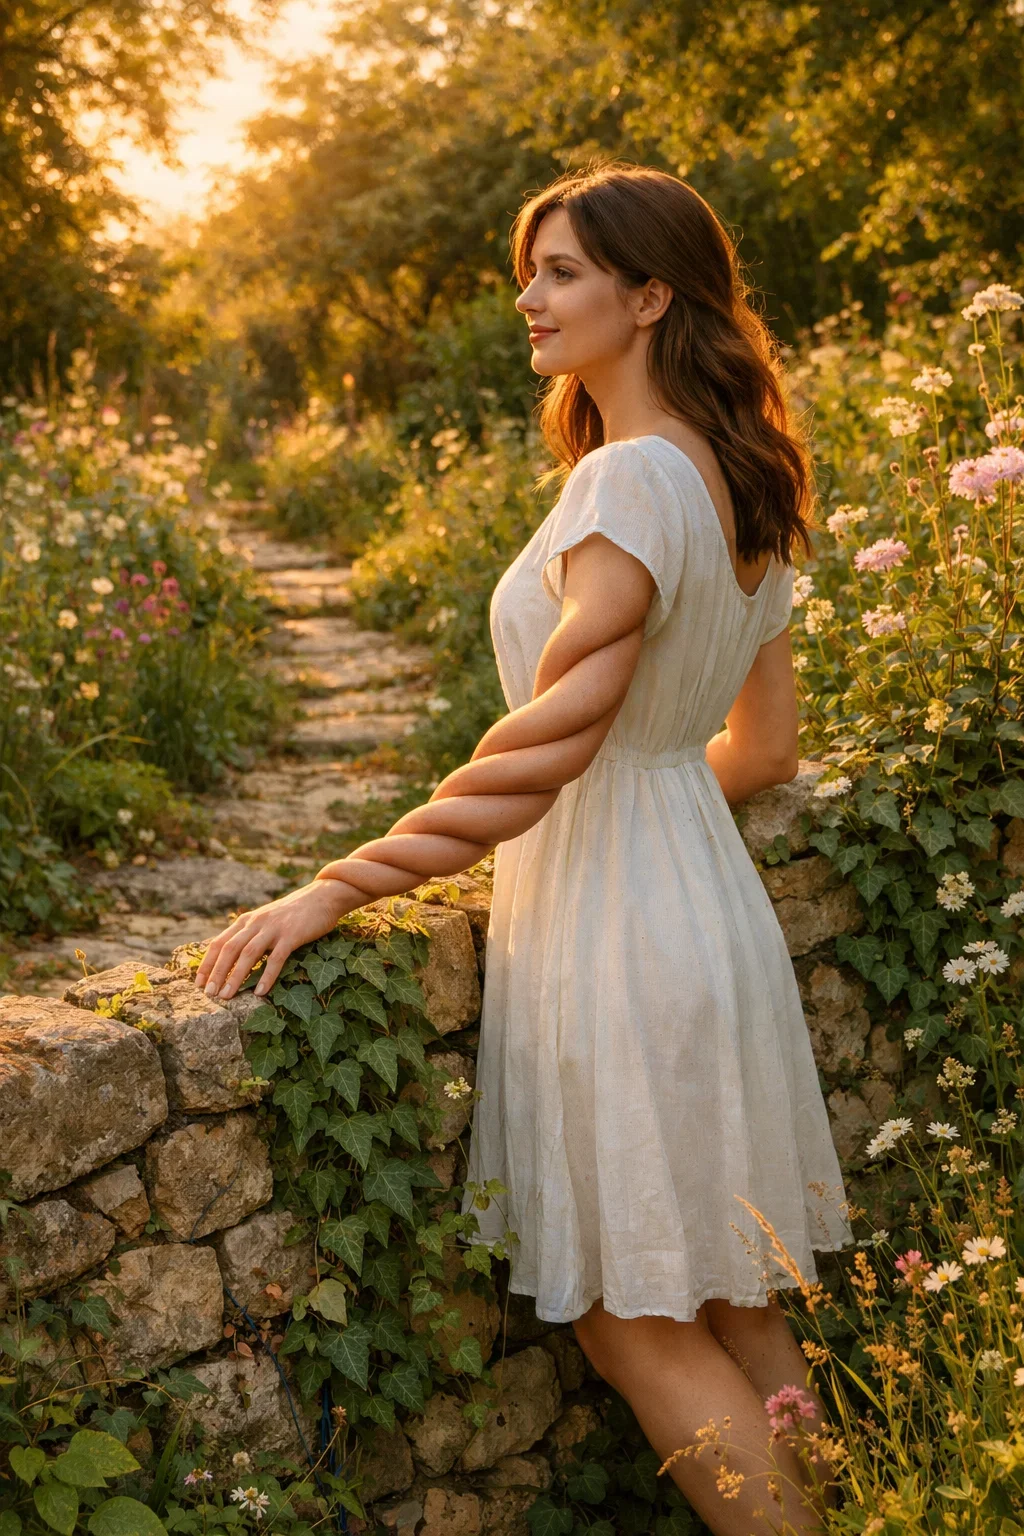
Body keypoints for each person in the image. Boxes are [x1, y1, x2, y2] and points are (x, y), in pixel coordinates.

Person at [196, 162, 855, 1534]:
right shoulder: (740, 480)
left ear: (651, 293)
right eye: (532, 269)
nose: (530, 297)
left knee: (631, 1324)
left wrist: (338, 883)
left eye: (562, 271)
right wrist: (660, 804)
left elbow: (548, 746)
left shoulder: (627, 477)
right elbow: (768, 752)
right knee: (734, 1296)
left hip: (618, 931)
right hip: (706, 907)